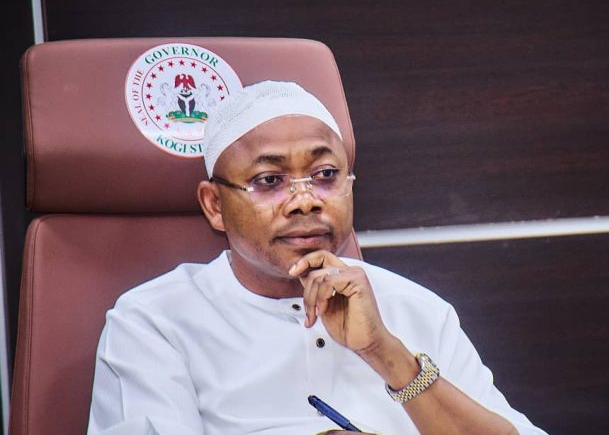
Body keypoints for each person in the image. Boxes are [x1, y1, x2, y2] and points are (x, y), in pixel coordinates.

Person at [88, 80, 546, 435]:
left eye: (325, 175)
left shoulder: (417, 308)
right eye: (269, 181)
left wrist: (385, 353)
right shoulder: (155, 323)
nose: (305, 201)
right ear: (214, 206)